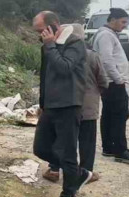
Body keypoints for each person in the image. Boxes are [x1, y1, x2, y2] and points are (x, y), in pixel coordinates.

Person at [32, 12, 93, 197]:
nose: (39, 35)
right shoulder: (46, 46)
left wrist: (50, 45)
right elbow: (45, 77)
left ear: (53, 26)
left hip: (69, 105)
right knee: (40, 148)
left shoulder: (75, 43)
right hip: (50, 106)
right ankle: (79, 173)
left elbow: (65, 68)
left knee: (67, 154)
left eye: (41, 31)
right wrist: (42, 103)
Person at [44, 24, 109, 184]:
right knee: (87, 142)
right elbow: (104, 82)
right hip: (87, 108)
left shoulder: (56, 55)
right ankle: (85, 173)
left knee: (61, 140)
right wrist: (94, 93)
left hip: (63, 106)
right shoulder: (92, 56)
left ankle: (54, 169)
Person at [93, 8, 129, 164]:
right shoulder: (105, 35)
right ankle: (120, 151)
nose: (124, 25)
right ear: (113, 20)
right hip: (112, 82)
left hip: (110, 82)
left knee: (109, 114)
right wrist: (118, 79)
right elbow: (106, 60)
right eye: (123, 22)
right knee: (120, 115)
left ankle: (108, 147)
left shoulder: (108, 34)